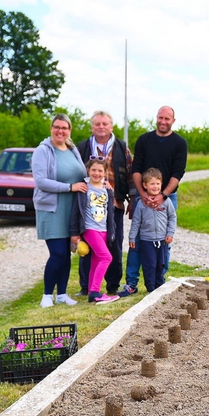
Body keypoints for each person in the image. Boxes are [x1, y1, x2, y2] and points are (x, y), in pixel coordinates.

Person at [118, 106, 187, 297]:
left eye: (167, 119)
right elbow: (136, 169)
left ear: (173, 120)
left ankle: (159, 283)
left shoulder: (180, 143)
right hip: (143, 196)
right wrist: (142, 194)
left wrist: (162, 195)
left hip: (167, 197)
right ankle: (131, 283)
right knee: (137, 242)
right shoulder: (144, 140)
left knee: (163, 243)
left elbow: (178, 173)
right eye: (160, 118)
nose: (163, 121)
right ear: (156, 118)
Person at [32, 113, 87, 307]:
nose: (60, 131)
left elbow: (83, 175)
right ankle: (47, 295)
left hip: (71, 210)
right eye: (57, 127)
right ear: (51, 128)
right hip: (52, 210)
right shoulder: (43, 151)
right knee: (58, 254)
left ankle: (62, 294)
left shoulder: (72, 149)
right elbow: (41, 181)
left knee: (66, 253)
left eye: (64, 128)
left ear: (69, 130)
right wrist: (69, 187)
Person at [76, 111, 132, 296]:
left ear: (111, 127)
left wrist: (131, 200)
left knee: (113, 244)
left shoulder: (121, 147)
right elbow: (75, 172)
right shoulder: (82, 147)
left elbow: (131, 174)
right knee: (87, 246)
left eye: (105, 124)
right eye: (98, 124)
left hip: (113, 204)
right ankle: (87, 286)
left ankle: (112, 284)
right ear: (92, 127)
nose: (101, 127)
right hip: (88, 205)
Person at [69, 158, 118, 304]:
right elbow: (75, 212)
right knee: (106, 257)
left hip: (104, 229)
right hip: (90, 229)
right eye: (93, 170)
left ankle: (91, 291)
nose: (96, 173)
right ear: (88, 171)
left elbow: (110, 212)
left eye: (100, 171)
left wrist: (112, 230)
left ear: (105, 172)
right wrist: (74, 233)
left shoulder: (107, 189)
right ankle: (96, 293)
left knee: (97, 261)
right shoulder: (83, 189)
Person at [129, 168, 177, 293]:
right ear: (145, 185)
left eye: (158, 183)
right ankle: (150, 288)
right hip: (146, 240)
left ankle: (159, 286)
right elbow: (136, 222)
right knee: (149, 265)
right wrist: (132, 237)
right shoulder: (141, 203)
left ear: (161, 184)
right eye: (152, 184)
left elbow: (172, 217)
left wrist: (170, 233)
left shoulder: (166, 202)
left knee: (161, 264)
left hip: (162, 240)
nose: (155, 186)